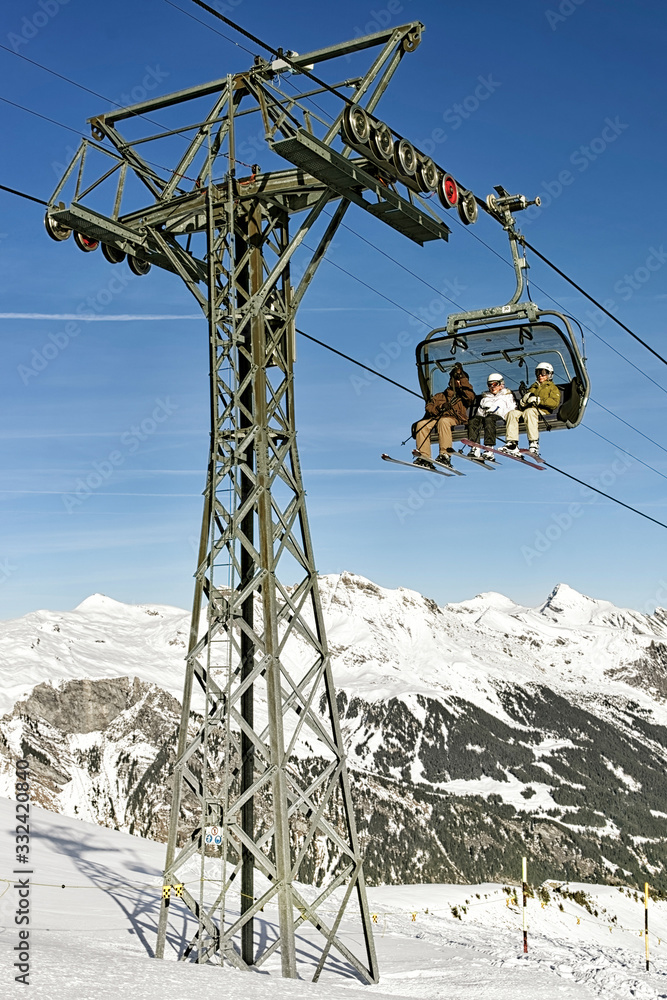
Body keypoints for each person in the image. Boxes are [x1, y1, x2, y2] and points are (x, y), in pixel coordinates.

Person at [413, 362, 475, 468]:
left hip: (454, 419)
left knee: (444, 421)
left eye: (459, 380)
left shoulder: (463, 397)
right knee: (421, 425)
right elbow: (429, 407)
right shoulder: (440, 396)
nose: (456, 382)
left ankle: (445, 454)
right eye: (454, 379)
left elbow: (470, 396)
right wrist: (440, 407)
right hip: (437, 418)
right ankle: (424, 456)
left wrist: (461, 376)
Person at [502, 361, 560, 457]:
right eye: (538, 373)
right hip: (528, 411)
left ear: (549, 374)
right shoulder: (533, 387)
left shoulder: (552, 388)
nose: (540, 375)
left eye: (543, 373)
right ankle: (512, 443)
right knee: (512, 413)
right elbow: (523, 406)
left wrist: (539, 400)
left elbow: (554, 403)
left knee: (530, 412)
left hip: (542, 412)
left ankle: (533, 442)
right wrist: (523, 402)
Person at [467, 373, 518, 460]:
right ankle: (475, 448)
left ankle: (489, 448)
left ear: (501, 384)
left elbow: (511, 409)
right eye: (489, 385)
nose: (492, 387)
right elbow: (480, 413)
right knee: (473, 421)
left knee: (489, 419)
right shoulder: (485, 398)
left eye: (495, 384)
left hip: (500, 416)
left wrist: (495, 410)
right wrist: (483, 412)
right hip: (486, 416)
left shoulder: (507, 395)